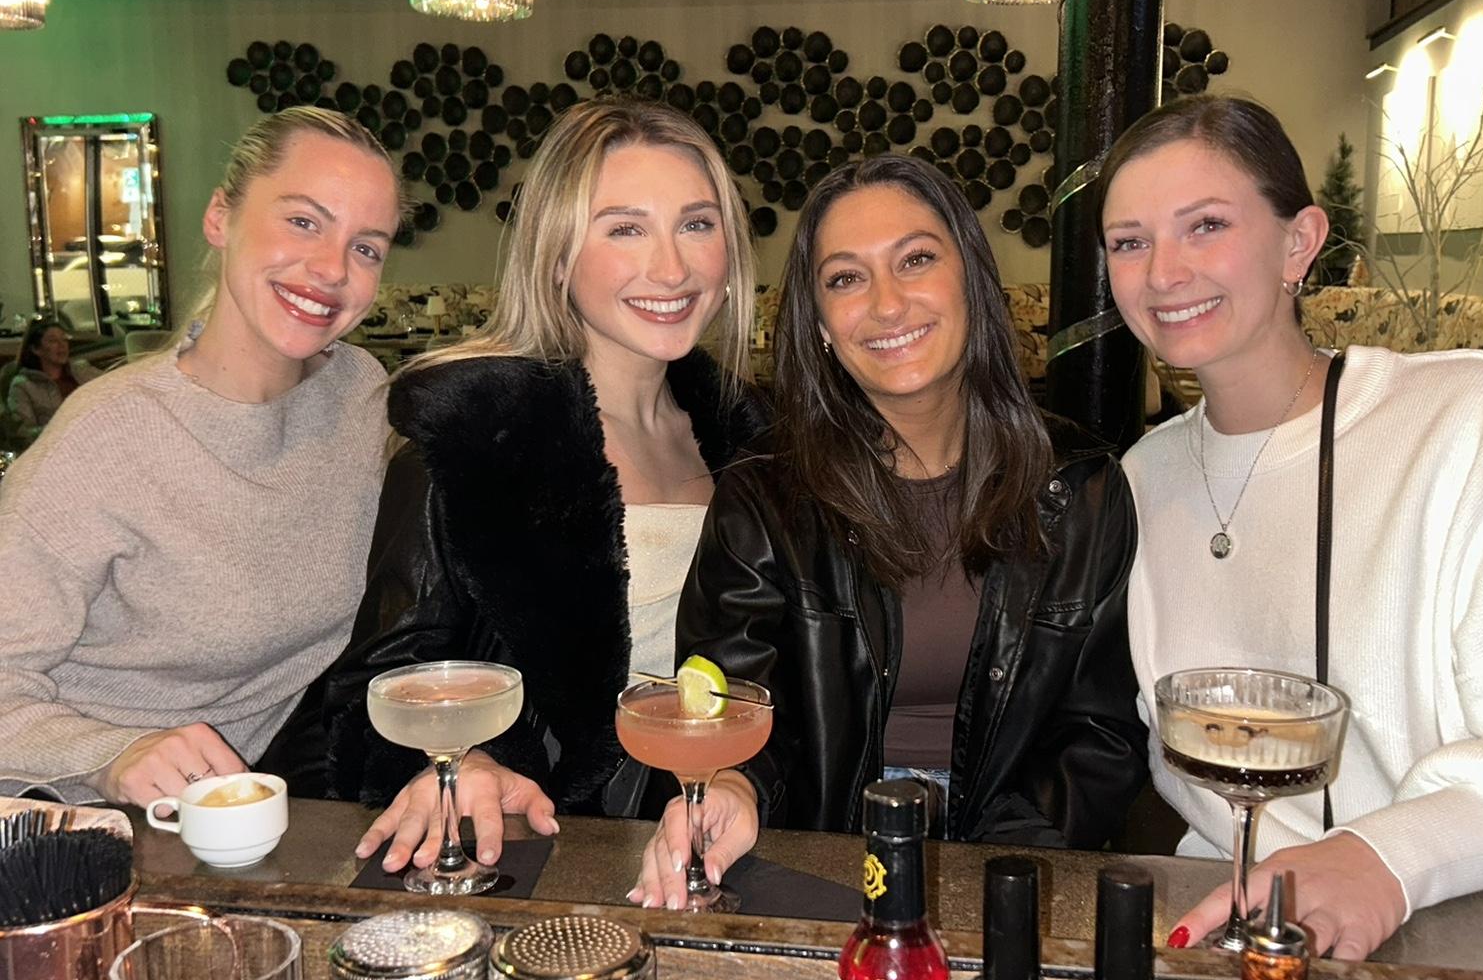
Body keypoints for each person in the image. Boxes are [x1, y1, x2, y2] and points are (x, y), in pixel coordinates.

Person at [631, 152, 1149, 907]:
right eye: (846, 278)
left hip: (1018, 859)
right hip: (820, 852)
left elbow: (1099, 733)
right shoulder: (765, 496)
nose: (887, 303)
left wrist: (990, 868)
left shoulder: (1081, 487)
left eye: (915, 260)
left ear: (971, 279)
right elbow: (732, 702)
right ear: (820, 324)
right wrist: (734, 788)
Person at [1100, 94, 1483, 961]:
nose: (1163, 272)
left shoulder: (1462, 420)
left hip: (1449, 926)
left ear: (1299, 241)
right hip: (1220, 930)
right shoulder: (1141, 478)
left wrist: (1389, 859)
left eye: (1206, 225)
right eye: (1129, 242)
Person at [320, 97, 763, 879]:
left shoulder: (758, 442)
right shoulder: (475, 438)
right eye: (625, 229)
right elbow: (377, 687)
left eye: (696, 224)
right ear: (557, 258)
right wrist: (467, 761)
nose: (672, 268)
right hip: (544, 846)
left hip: (718, 841)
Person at [0, 106, 399, 805]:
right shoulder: (108, 437)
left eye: (366, 248)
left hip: (265, 804)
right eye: (302, 221)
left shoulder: (360, 394)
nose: (331, 268)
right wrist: (110, 755)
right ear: (221, 217)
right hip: (84, 809)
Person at [5, 318, 100, 445]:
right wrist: (63, 427)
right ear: (36, 349)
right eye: (53, 341)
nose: (62, 345)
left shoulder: (82, 370)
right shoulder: (23, 385)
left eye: (64, 339)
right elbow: (23, 433)